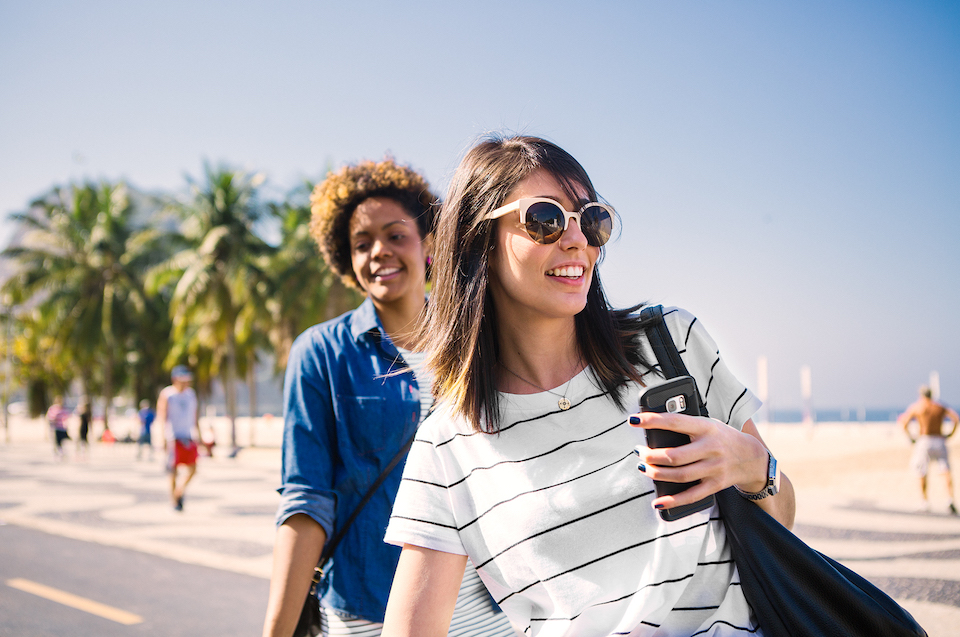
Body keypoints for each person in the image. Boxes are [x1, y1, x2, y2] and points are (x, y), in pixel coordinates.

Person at [381, 135, 797, 637]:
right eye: (545, 219)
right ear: (480, 243)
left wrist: (753, 467)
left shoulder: (670, 344)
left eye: (591, 219)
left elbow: (784, 517)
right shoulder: (446, 444)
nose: (577, 239)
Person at [262, 160, 515, 637]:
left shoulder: (479, 342)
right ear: (346, 260)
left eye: (396, 235)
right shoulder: (321, 353)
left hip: (488, 613)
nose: (379, 251)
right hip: (370, 612)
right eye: (362, 243)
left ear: (430, 246)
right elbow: (307, 498)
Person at [899, 385, 959, 514]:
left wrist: (911, 437)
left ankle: (925, 501)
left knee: (922, 471)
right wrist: (950, 434)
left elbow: (904, 422)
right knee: (945, 470)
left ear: (920, 395)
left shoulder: (917, 407)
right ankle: (950, 500)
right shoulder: (940, 407)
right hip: (939, 440)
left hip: (924, 440)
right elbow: (956, 418)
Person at [157, 365, 200, 511]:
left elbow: (195, 416)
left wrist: (198, 435)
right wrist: (162, 437)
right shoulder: (167, 394)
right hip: (173, 437)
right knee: (173, 471)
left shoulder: (191, 394)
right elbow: (162, 417)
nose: (185, 383)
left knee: (193, 468)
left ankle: (179, 492)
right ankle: (174, 501)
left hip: (188, 435)